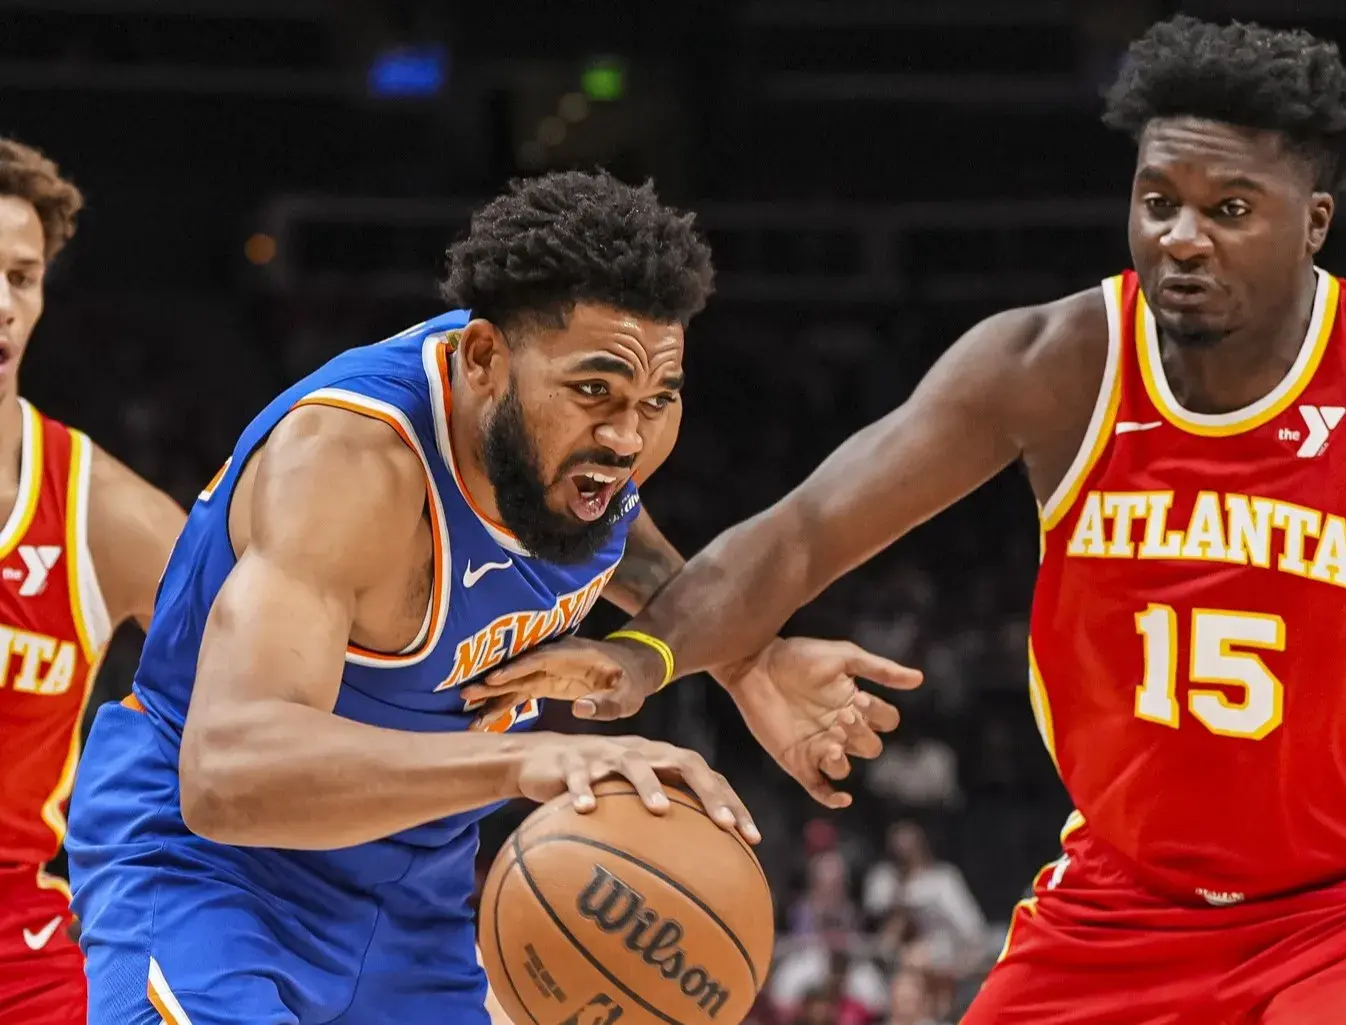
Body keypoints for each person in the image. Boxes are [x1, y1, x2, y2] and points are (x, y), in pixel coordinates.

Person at [471, 18, 1346, 1025]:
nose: (1179, 236)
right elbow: (806, 531)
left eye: (1226, 210)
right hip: (1113, 909)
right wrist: (648, 659)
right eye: (1156, 200)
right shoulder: (1049, 366)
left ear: (1312, 221)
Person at [64, 170, 918, 1025]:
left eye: (659, 400)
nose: (627, 438)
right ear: (482, 362)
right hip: (213, 873)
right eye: (598, 394)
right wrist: (527, 760)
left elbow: (633, 553)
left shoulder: (574, 454)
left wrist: (747, 657)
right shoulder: (348, 467)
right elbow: (226, 774)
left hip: (416, 888)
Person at [0, 138, 186, 1025]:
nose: (1, 304)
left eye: (22, 276)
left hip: (22, 960)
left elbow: (274, 686)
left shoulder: (96, 509)